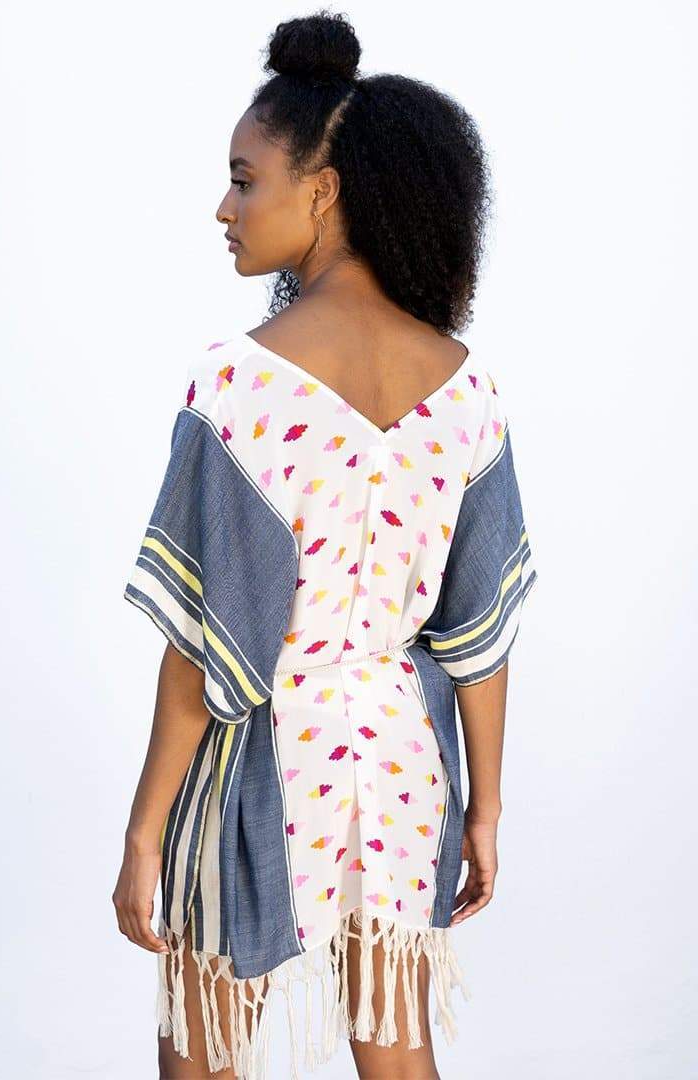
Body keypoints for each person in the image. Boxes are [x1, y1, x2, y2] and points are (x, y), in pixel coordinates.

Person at [113, 11, 538, 1079]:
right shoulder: (467, 389)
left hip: (259, 760)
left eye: (243, 179)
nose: (224, 207)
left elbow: (206, 649)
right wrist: (485, 809)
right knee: (398, 1052)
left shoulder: (239, 386)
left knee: (202, 1053)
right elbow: (477, 638)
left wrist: (143, 831)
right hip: (402, 760)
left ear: (324, 190)